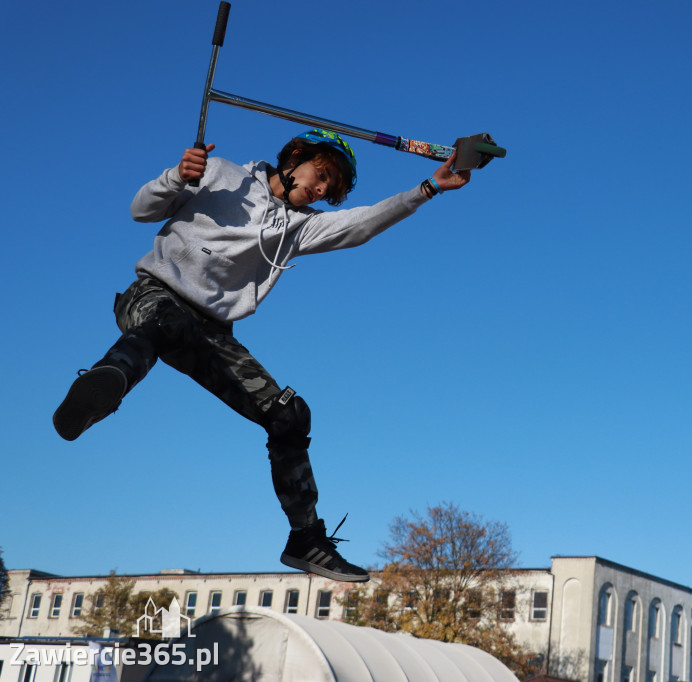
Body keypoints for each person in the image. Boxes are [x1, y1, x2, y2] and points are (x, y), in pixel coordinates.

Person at [53, 129, 470, 582]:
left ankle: (305, 538)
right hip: (153, 294)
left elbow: (362, 225)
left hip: (211, 333)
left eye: (332, 188)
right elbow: (141, 210)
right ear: (295, 156)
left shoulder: (299, 225)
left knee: (289, 415)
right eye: (323, 174)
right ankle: (100, 387)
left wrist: (427, 189)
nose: (324, 189)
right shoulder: (220, 173)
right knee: (165, 323)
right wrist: (176, 177)